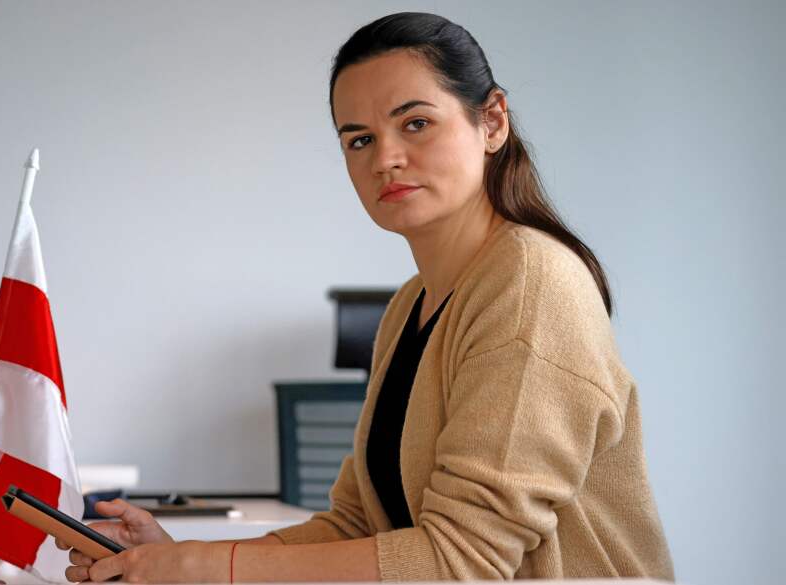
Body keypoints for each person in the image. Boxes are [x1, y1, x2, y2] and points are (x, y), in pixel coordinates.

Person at [60, 12, 674, 582]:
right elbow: (357, 526)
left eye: (416, 123)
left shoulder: (531, 284)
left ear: (492, 122)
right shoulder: (411, 305)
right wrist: (169, 556)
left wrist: (199, 568)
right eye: (358, 140)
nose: (386, 159)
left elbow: (460, 560)